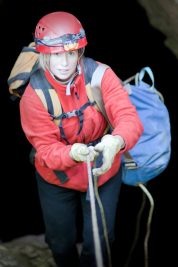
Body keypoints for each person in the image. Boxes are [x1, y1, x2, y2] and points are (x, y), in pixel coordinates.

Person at [18, 11, 143, 267]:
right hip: (56, 177)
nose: (64, 62)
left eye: (71, 53)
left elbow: (129, 117)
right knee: (60, 242)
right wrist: (72, 154)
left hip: (103, 170)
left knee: (101, 239)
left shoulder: (100, 76)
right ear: (45, 54)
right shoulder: (34, 96)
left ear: (80, 52)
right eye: (56, 54)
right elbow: (46, 149)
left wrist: (115, 142)